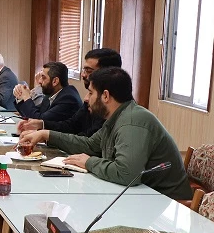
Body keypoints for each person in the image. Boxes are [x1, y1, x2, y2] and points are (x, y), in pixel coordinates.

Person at [19, 67, 192, 200]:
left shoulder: (132, 121)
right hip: (140, 196)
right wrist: (46, 134)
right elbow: (89, 145)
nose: (86, 98)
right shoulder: (118, 116)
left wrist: (89, 162)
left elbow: (126, 174)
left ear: (106, 96)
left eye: (90, 93)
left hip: (164, 203)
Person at [17, 48, 122, 137]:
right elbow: (71, 125)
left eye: (89, 71)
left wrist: (46, 136)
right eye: (83, 70)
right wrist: (42, 124)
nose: (83, 75)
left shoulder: (69, 97)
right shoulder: (86, 99)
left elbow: (88, 141)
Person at [13, 61, 81, 121]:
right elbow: (35, 112)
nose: (39, 81)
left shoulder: (68, 99)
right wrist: (21, 97)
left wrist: (26, 97)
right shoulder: (51, 93)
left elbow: (39, 120)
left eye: (43, 77)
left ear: (55, 81)